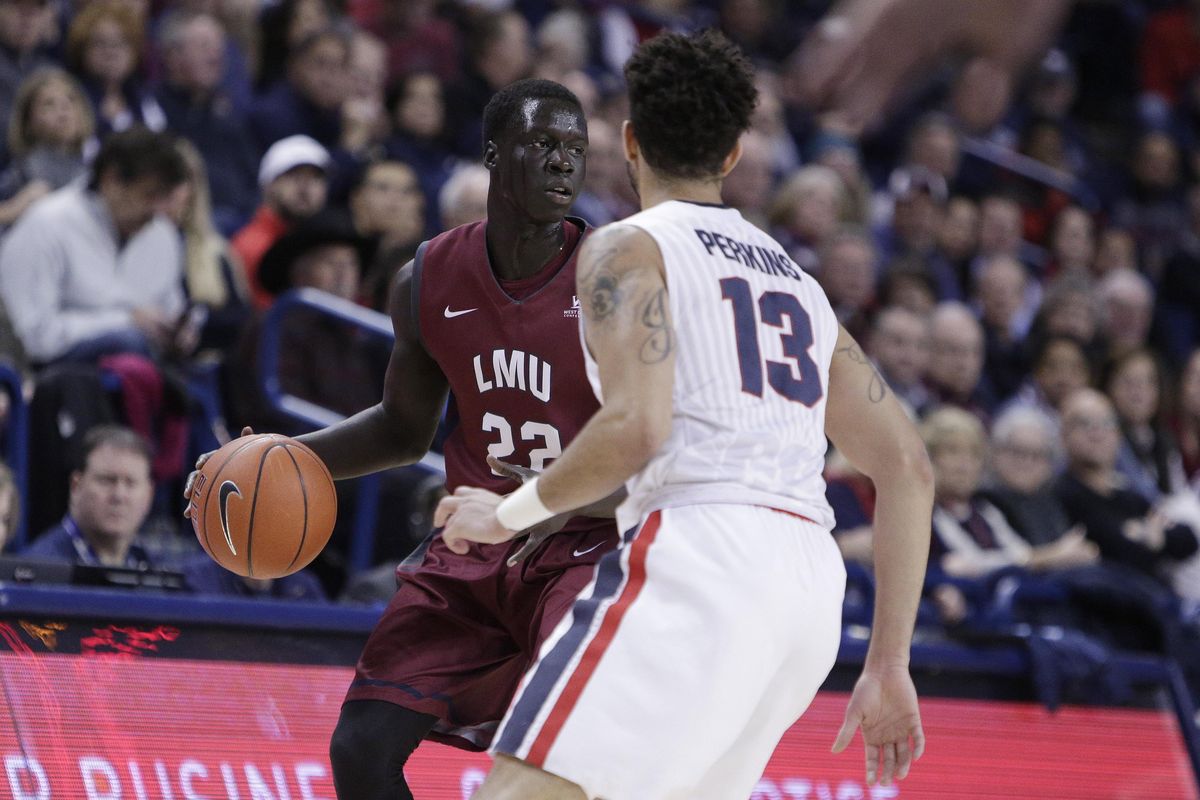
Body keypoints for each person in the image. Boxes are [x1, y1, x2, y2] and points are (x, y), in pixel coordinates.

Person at [436, 31, 930, 799]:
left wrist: (508, 514)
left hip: (702, 553)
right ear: (733, 155)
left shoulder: (627, 248)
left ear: (629, 140)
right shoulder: (800, 285)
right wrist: (890, 662)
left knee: (523, 789)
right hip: (806, 596)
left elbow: (637, 427)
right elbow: (907, 467)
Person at [184, 78, 618, 800]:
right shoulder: (427, 279)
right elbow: (401, 426)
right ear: (491, 152)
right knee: (360, 749)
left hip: (586, 542)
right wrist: (277, 458)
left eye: (574, 148)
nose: (562, 162)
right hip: (474, 548)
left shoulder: (617, 276)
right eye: (542, 143)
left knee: (561, 760)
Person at [0, 126, 187, 365]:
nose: (158, 210)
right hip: (56, 373)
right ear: (111, 180)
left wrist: (178, 334)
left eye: (165, 198)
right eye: (150, 195)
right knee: (128, 345)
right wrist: (126, 321)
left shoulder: (162, 233)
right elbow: (32, 337)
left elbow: (171, 307)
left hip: (150, 367)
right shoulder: (46, 224)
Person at [22, 425, 156, 568]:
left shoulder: (155, 568)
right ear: (76, 486)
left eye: (131, 483)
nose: (119, 495)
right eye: (107, 480)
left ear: (149, 495)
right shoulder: (39, 568)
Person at [231, 134, 330, 308]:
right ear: (269, 184)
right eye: (293, 175)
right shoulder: (251, 245)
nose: (305, 187)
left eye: (315, 177)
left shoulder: (324, 244)